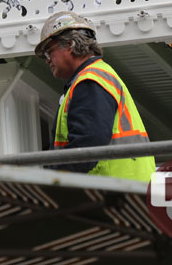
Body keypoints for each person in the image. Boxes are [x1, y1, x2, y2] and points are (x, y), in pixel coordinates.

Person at [36, 11, 154, 181]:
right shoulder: (98, 75)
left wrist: (54, 184)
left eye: (49, 52)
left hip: (111, 191)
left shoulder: (90, 81)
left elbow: (87, 144)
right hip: (126, 189)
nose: (47, 60)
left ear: (69, 45)